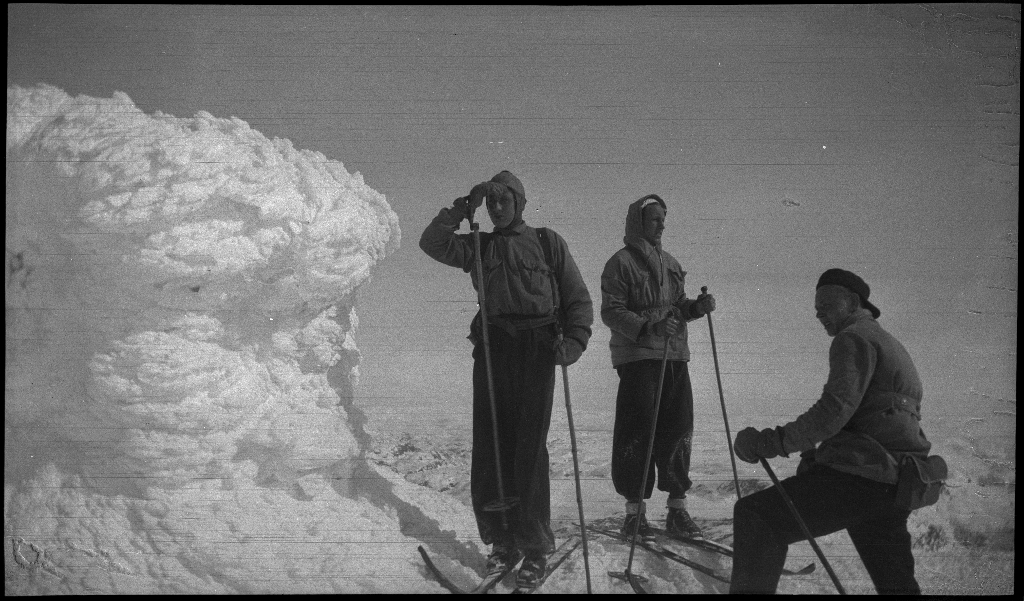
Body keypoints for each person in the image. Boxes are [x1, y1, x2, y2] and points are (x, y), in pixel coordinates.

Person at [418, 170, 593, 588]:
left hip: (537, 349)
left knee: (528, 448)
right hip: (495, 347)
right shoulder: (479, 245)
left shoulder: (548, 242)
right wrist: (463, 208)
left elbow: (577, 299)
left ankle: (534, 546)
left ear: (520, 203)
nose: (497, 208)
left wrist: (574, 342)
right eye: (491, 201)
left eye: (504, 200)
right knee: (492, 445)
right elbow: (432, 242)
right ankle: (501, 542)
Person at [730, 268, 932, 595]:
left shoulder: (852, 338)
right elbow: (876, 419)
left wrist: (768, 442)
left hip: (862, 478)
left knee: (757, 517)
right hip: (896, 483)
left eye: (826, 304)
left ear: (852, 302)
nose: (818, 313)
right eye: (815, 308)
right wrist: (817, 455)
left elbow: (834, 410)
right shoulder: (891, 344)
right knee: (897, 586)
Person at [600, 194, 716, 541]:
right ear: (638, 222)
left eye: (663, 219)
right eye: (654, 219)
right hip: (639, 359)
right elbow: (611, 311)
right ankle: (634, 515)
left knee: (678, 427)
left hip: (675, 355)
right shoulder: (619, 263)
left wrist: (696, 308)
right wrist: (650, 327)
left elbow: (678, 306)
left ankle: (677, 509)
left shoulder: (671, 262)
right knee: (638, 431)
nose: (661, 225)